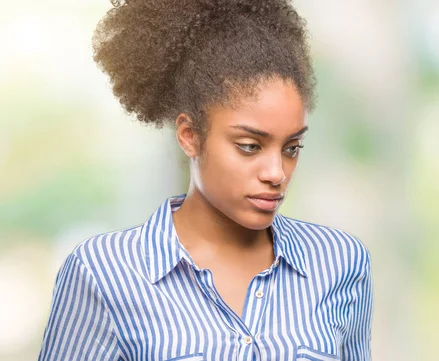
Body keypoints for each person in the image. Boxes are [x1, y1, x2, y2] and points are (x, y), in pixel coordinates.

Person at [37, 0, 373, 360]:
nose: (276, 173)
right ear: (190, 135)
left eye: (292, 148)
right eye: (249, 146)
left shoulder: (340, 262)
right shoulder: (103, 273)